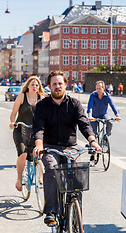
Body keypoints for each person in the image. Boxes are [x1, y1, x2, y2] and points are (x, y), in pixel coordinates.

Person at [32, 71, 101, 224]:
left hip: (71, 147)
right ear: (49, 86)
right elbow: (38, 129)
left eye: (60, 84)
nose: (58, 87)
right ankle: (51, 211)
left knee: (77, 176)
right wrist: (39, 145)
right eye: (54, 84)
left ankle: (77, 217)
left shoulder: (74, 104)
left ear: (65, 85)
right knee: (51, 169)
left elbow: (84, 124)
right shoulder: (42, 106)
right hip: (50, 147)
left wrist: (93, 141)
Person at [9, 76, 45, 191]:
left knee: (40, 152)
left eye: (37, 85)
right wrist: (12, 122)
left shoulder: (42, 98)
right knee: (23, 153)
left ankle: (40, 177)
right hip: (20, 129)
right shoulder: (21, 97)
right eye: (33, 84)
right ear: (28, 86)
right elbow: (13, 113)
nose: (35, 87)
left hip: (35, 131)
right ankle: (19, 179)